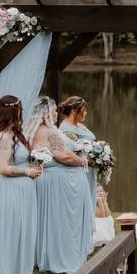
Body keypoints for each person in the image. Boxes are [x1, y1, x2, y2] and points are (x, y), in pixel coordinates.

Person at [0, 95, 42, 274]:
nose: (22, 114)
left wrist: (35, 166)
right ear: (12, 112)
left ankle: (20, 273)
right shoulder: (2, 137)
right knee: (10, 230)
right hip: (7, 189)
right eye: (20, 110)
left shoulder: (16, 134)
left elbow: (21, 160)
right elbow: (3, 168)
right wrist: (26, 172)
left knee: (24, 230)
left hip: (23, 190)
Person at [26, 96, 90, 274]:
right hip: (57, 185)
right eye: (54, 111)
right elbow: (65, 156)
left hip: (47, 182)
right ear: (46, 113)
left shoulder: (34, 131)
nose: (56, 114)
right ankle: (62, 257)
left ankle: (47, 257)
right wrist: (82, 161)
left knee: (52, 223)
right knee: (61, 223)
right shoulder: (49, 132)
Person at [59, 96, 98, 258]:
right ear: (75, 111)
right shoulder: (66, 130)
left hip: (88, 172)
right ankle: (77, 244)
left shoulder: (79, 125)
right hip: (79, 173)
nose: (86, 113)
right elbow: (70, 153)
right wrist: (91, 161)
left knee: (89, 204)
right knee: (80, 207)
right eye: (83, 110)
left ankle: (86, 242)